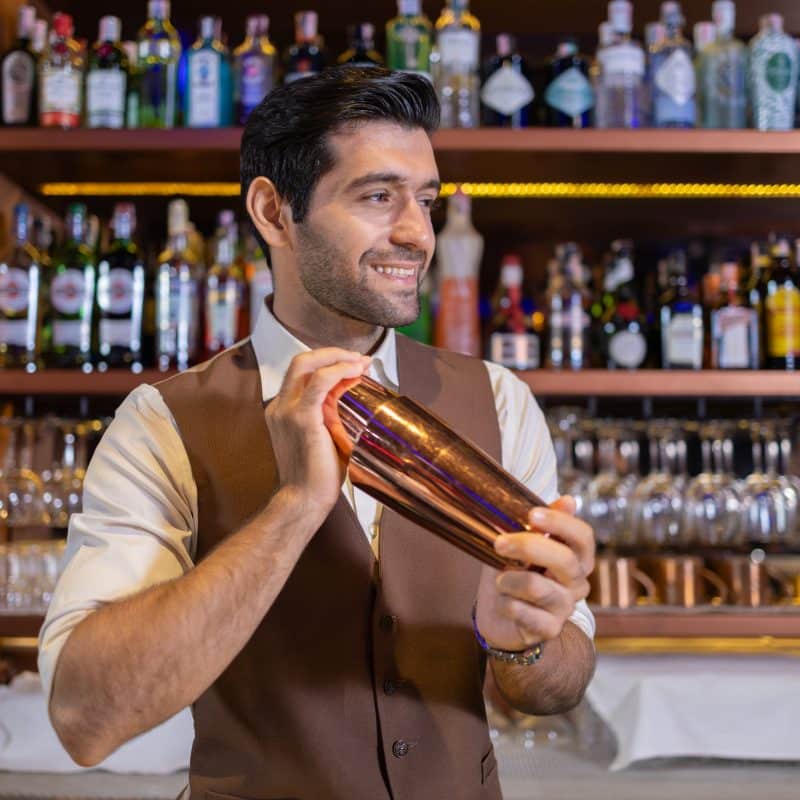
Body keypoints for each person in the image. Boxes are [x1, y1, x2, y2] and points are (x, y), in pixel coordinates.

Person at [40, 67, 596, 799]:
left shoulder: (499, 400)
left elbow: (556, 688)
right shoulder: (161, 422)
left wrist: (524, 645)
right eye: (377, 196)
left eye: (426, 201)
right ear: (274, 212)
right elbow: (86, 719)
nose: (416, 234)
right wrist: (294, 508)